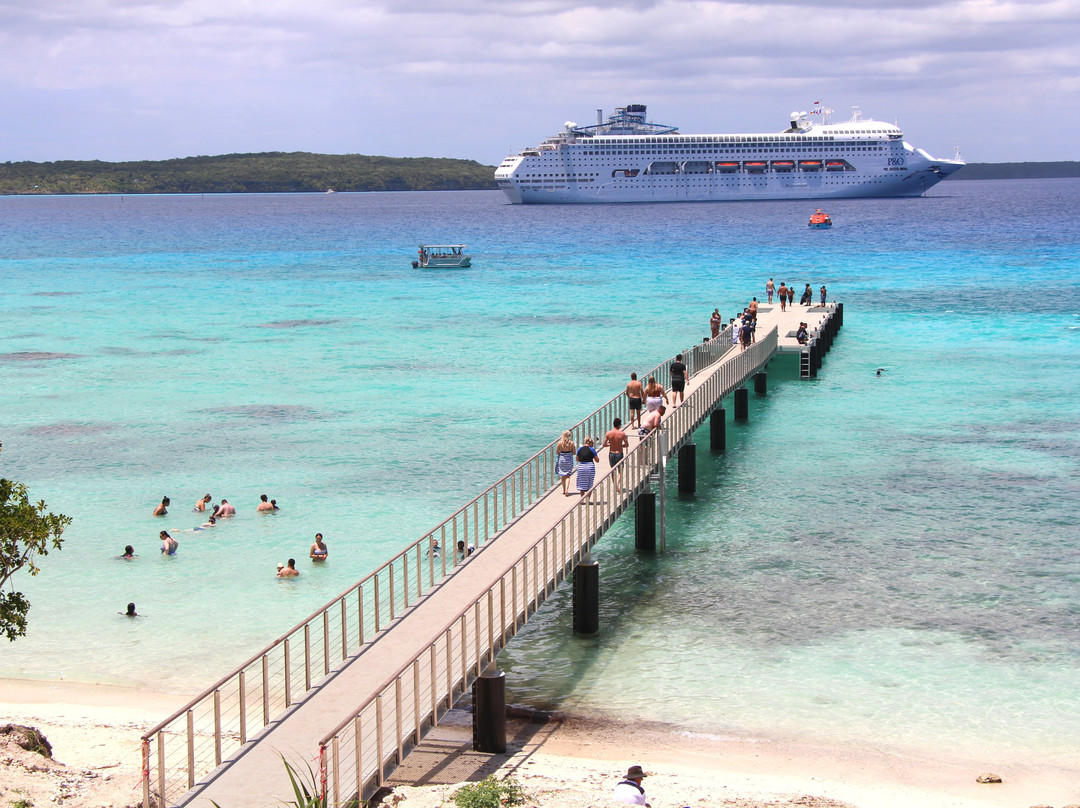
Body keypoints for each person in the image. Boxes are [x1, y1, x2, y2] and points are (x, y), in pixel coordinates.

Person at [602, 418, 629, 488]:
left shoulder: (608, 433)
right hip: (619, 453)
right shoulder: (622, 434)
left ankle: (615, 484)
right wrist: (620, 445)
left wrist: (610, 445)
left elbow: (604, 444)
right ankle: (617, 484)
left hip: (611, 453)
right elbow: (627, 445)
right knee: (620, 471)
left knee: (613, 470)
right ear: (619, 425)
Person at [556, 430, 577, 496]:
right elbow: (574, 453)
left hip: (562, 460)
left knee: (563, 476)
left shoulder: (559, 443)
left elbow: (557, 452)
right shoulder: (572, 443)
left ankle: (563, 489)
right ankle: (567, 489)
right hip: (569, 460)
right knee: (568, 476)